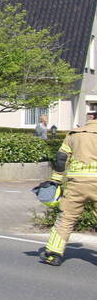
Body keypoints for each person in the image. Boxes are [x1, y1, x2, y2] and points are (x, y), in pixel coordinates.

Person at [38, 110, 97, 266]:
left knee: (66, 219)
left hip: (76, 184)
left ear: (92, 118)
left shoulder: (74, 134)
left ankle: (53, 254)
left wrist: (56, 180)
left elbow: (61, 158)